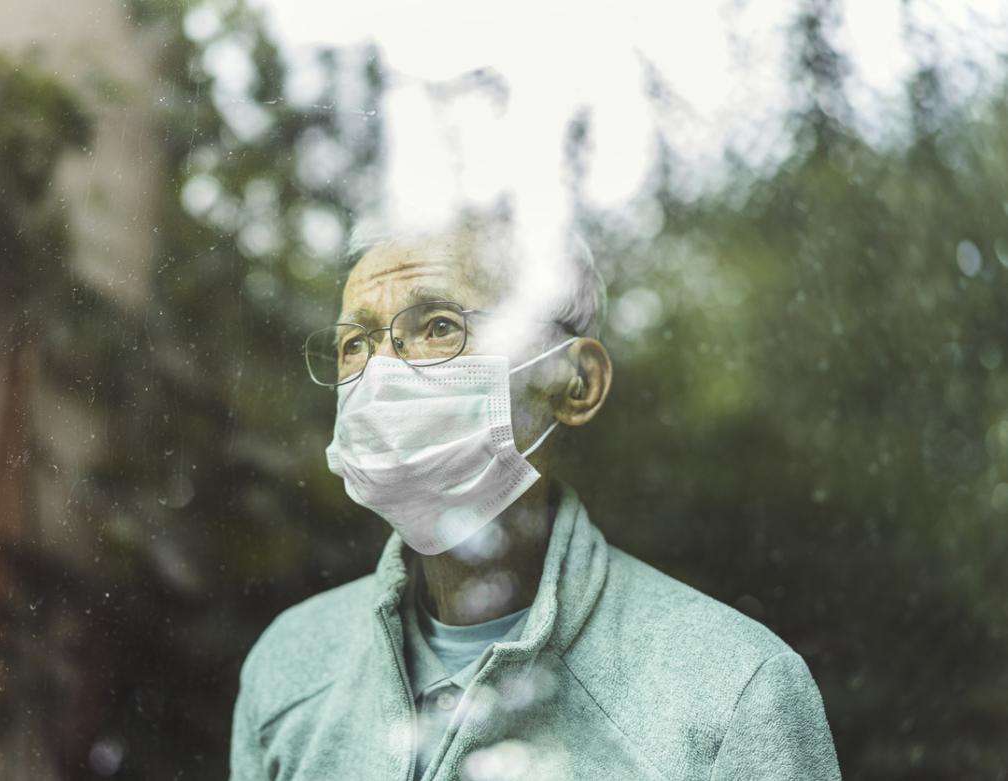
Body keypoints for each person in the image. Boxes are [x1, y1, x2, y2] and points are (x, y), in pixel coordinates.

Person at [230, 218, 841, 780]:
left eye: (440, 326)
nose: (379, 373)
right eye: (355, 344)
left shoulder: (734, 690)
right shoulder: (291, 663)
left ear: (575, 385)